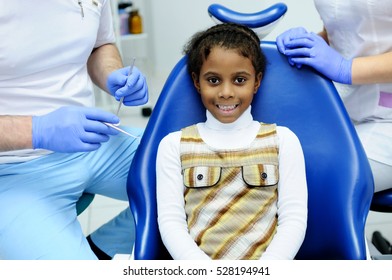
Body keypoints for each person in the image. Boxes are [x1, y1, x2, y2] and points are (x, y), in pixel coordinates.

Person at [0, 1, 148, 259]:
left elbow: (99, 44)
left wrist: (113, 74)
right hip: (12, 169)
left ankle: (104, 248)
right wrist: (37, 130)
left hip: (94, 143)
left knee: (222, 176)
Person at [156, 23, 308, 260]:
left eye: (239, 80)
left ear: (256, 82)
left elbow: (294, 218)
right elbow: (170, 222)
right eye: (214, 80)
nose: (226, 92)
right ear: (197, 82)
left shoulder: (283, 141)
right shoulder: (173, 145)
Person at [276, 0, 392, 193]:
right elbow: (345, 31)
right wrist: (310, 43)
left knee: (317, 183)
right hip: (344, 112)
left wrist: (345, 68)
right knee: (277, 166)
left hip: (387, 123)